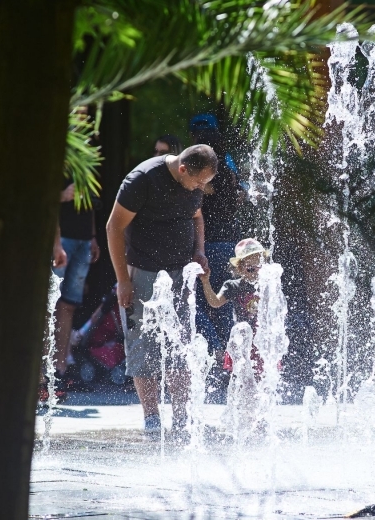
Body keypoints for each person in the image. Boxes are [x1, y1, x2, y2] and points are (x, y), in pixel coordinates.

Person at [106, 144, 217, 436]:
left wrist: (200, 251)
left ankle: (181, 417)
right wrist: (123, 280)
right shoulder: (142, 180)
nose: (201, 188)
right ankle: (152, 417)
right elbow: (113, 228)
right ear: (183, 169)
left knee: (181, 345)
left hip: (180, 273)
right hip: (142, 273)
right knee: (143, 346)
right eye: (198, 182)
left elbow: (197, 217)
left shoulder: (194, 181)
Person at [189, 114, 243, 365]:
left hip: (206, 244)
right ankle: (230, 360)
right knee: (222, 303)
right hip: (229, 244)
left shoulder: (198, 171)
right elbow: (241, 196)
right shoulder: (229, 164)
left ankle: (217, 350)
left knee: (194, 304)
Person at [47, 178, 100, 399]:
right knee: (49, 305)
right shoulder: (57, 159)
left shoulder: (87, 164)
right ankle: (44, 374)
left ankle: (60, 371)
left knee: (68, 306)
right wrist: (61, 196)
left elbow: (91, 204)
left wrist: (93, 236)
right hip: (61, 239)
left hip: (84, 240)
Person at [198, 238, 269, 374]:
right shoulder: (234, 286)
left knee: (265, 378)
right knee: (243, 377)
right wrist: (206, 282)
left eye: (261, 268)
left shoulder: (268, 285)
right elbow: (215, 302)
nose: (256, 273)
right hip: (242, 340)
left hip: (263, 340)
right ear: (240, 269)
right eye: (251, 269)